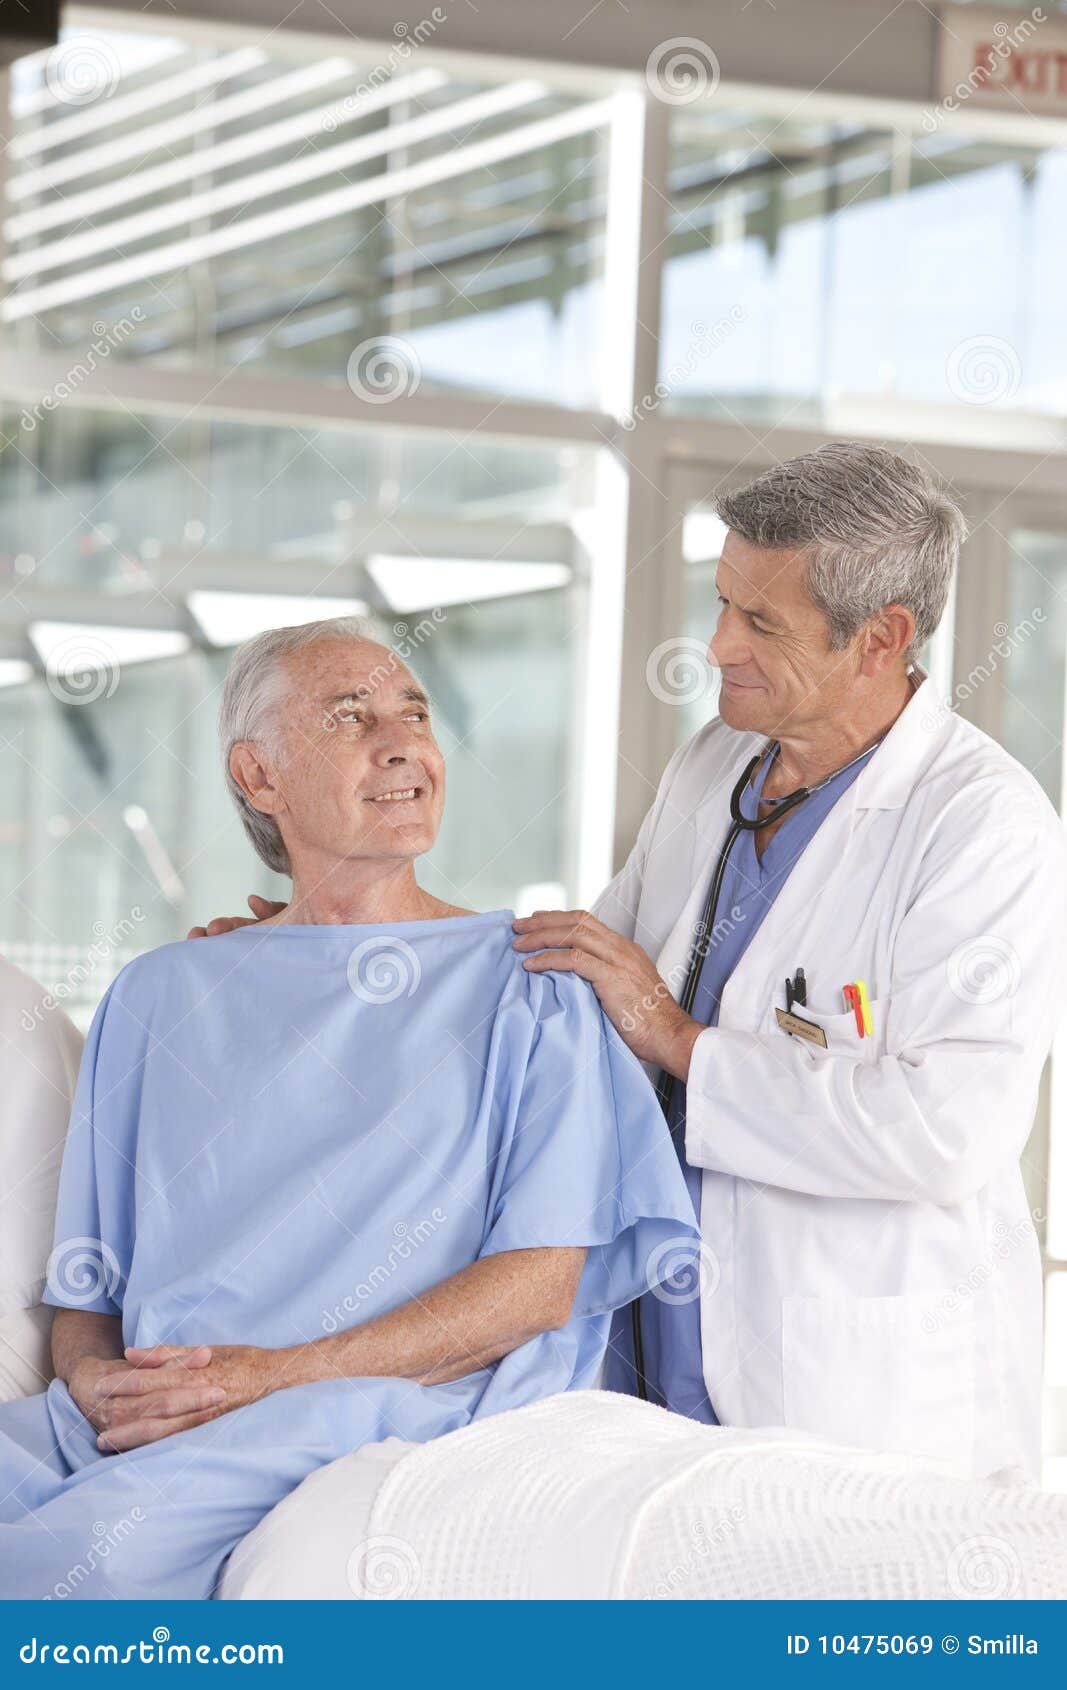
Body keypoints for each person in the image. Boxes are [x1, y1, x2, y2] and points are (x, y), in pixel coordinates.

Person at [199, 442, 1067, 1478]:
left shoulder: (981, 828)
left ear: (878, 638)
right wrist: (339, 940)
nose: (714, 645)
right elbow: (581, 974)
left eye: (759, 621)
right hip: (660, 1340)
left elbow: (944, 1134)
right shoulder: (718, 761)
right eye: (720, 602)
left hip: (854, 1385)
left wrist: (680, 1038)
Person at [0, 619, 697, 1599]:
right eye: (350, 716)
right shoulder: (159, 994)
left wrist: (267, 1376)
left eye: (414, 711)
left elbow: (538, 1285)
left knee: (93, 1569)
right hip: (146, 1414)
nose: (401, 739)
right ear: (259, 777)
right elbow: (88, 1293)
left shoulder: (534, 983)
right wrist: (88, 1377)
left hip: (377, 1407)